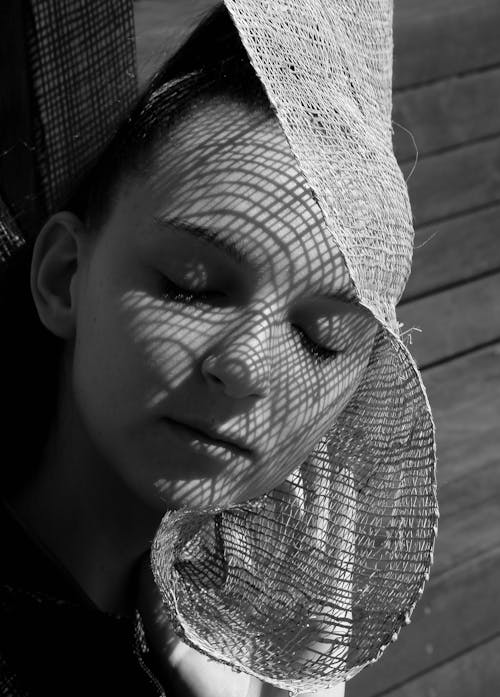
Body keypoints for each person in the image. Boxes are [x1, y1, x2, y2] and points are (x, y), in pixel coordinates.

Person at [0, 5, 377, 696]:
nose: (245, 365)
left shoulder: (232, 625)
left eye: (322, 337)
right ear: (64, 277)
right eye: (191, 286)